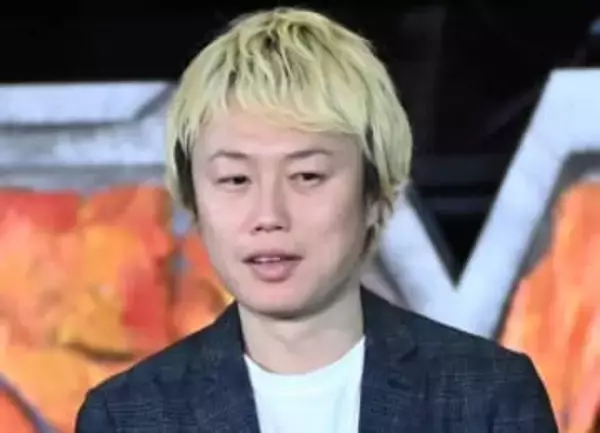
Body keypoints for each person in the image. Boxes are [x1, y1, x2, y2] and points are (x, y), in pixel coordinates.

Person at [75, 7, 557, 432]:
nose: (268, 215)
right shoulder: (127, 416)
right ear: (193, 199)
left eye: (307, 175)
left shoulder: (488, 397)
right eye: (235, 179)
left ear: (376, 193)